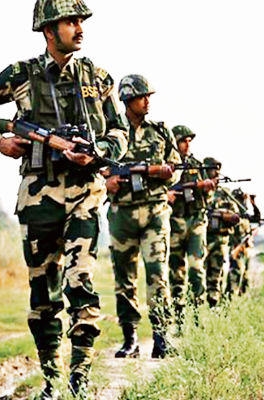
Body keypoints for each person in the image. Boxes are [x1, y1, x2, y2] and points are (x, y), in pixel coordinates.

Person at [0, 0, 127, 397]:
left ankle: (80, 380)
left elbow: (120, 133)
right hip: (38, 196)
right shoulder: (22, 74)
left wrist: (98, 150)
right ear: (49, 31)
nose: (80, 28)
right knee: (43, 293)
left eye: (81, 21)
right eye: (71, 22)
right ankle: (52, 382)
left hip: (85, 192)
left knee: (80, 280)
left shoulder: (99, 78)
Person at [104, 75, 182, 359]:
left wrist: (161, 173)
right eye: (141, 96)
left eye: (148, 96)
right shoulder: (111, 132)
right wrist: (107, 181)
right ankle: (130, 339)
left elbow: (177, 169)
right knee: (124, 277)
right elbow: (94, 166)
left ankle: (161, 338)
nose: (147, 101)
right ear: (127, 99)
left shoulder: (161, 132)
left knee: (158, 275)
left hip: (154, 213)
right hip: (122, 213)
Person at [167, 126, 216, 325]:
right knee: (176, 272)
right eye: (183, 141)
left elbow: (208, 198)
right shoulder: (167, 164)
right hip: (174, 221)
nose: (187, 145)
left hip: (196, 221)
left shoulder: (197, 165)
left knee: (196, 268)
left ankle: (198, 317)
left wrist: (205, 188)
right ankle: (179, 318)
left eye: (189, 141)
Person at [202, 158, 240, 307]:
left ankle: (214, 304)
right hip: (202, 237)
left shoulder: (224, 194)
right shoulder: (199, 190)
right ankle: (197, 304)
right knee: (198, 272)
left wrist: (223, 215)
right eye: (213, 169)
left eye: (218, 169)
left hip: (220, 239)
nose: (217, 172)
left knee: (216, 275)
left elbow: (236, 216)